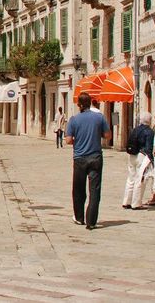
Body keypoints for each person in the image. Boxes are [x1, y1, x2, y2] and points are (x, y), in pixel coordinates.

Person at [65, 93, 110, 229]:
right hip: (95, 157)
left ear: (79, 105)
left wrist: (76, 140)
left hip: (79, 158)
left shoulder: (74, 120)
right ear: (90, 103)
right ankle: (91, 221)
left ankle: (79, 217)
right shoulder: (99, 117)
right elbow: (107, 135)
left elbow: (68, 140)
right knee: (94, 189)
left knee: (78, 189)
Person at [122, 113, 154, 210]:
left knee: (131, 178)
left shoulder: (135, 129)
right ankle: (136, 203)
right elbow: (149, 147)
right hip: (142, 156)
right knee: (140, 179)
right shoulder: (149, 131)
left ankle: (126, 201)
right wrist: (151, 159)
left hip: (132, 155)